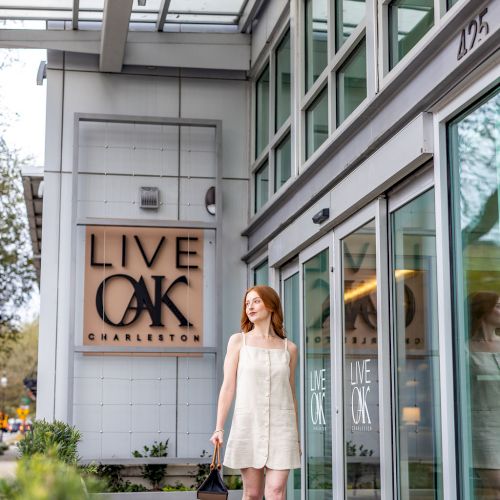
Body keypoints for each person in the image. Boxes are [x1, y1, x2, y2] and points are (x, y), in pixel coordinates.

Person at [209, 285, 301, 500]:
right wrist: (219, 428)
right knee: (252, 493)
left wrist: (295, 437)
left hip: (282, 429)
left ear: (271, 306)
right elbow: (228, 386)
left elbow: (291, 393)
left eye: (256, 301)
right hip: (249, 425)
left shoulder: (290, 348)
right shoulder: (238, 341)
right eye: (247, 302)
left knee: (277, 492)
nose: (250, 306)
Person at [468, 291, 500, 498]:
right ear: (484, 310)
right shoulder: (464, 348)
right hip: (483, 425)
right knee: (496, 483)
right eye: (498, 305)